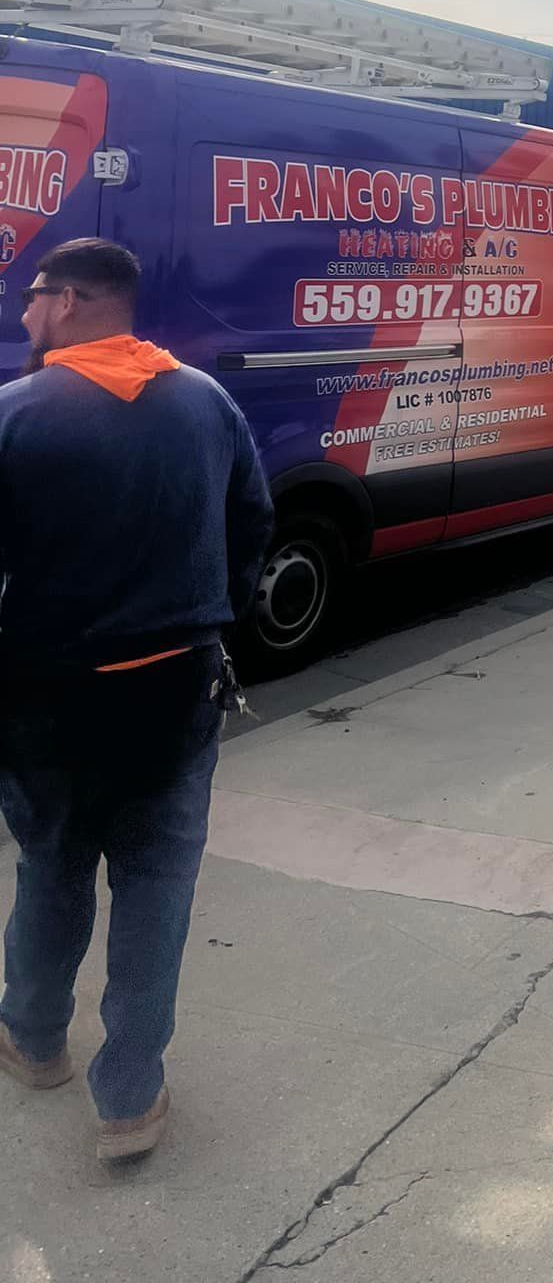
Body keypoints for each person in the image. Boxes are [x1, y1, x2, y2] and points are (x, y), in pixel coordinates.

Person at [0, 239, 271, 1161]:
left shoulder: (17, 413)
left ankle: (34, 1044)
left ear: (72, 301)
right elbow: (252, 523)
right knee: (157, 888)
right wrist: (208, 620)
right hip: (175, 694)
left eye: (34, 297)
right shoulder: (206, 402)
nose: (25, 312)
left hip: (48, 705)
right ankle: (130, 1097)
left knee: (52, 870)